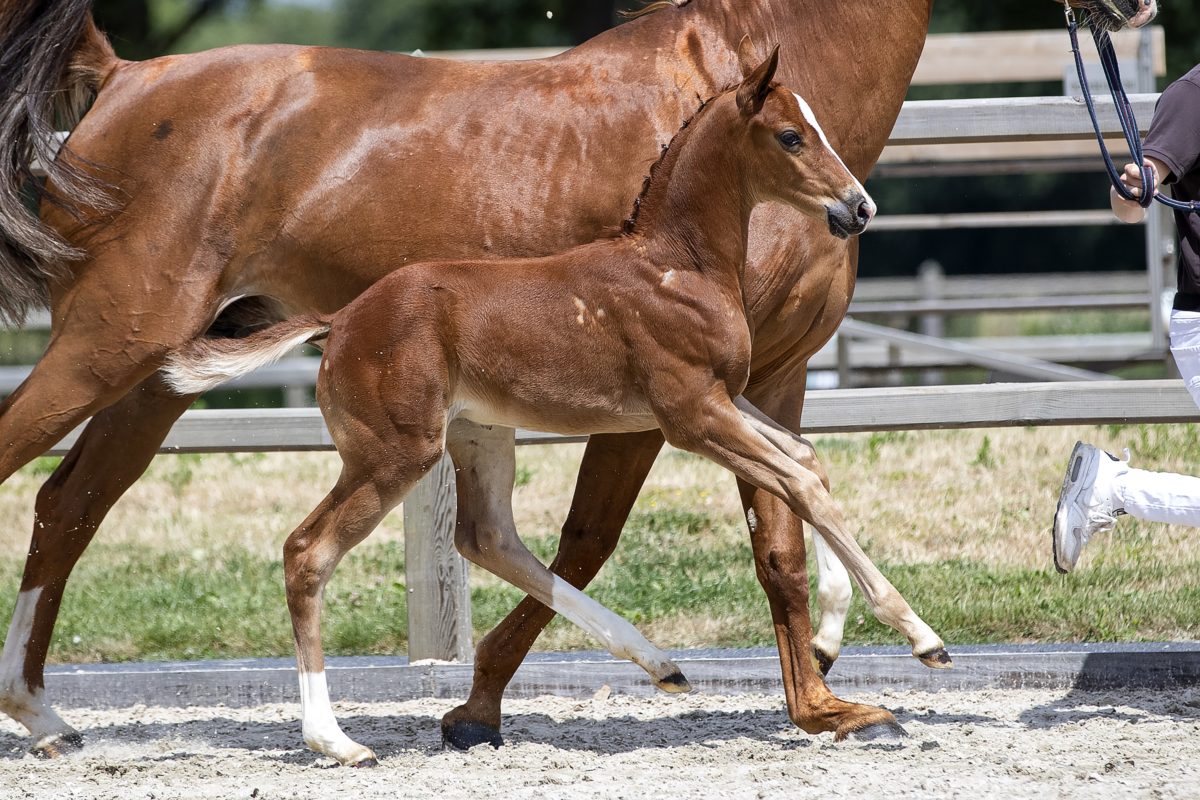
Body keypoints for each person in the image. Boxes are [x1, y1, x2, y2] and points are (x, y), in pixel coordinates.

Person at [1053, 62, 1200, 573]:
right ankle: (1116, 489)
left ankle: (1113, 488)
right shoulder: (1193, 97)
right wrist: (1135, 183)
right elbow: (1135, 196)